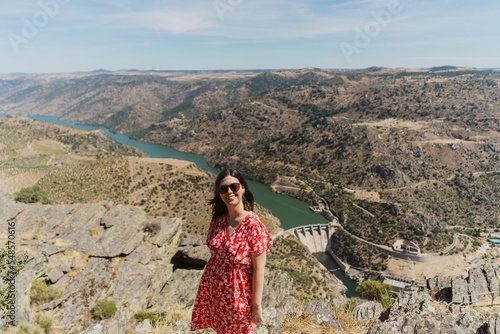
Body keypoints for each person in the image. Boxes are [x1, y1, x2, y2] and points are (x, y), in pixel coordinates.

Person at [190, 168, 273, 334]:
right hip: (213, 292)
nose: (229, 192)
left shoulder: (252, 224)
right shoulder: (218, 220)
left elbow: (259, 268)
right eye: (223, 189)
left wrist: (256, 306)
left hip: (237, 294)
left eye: (233, 187)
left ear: (242, 188)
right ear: (219, 194)